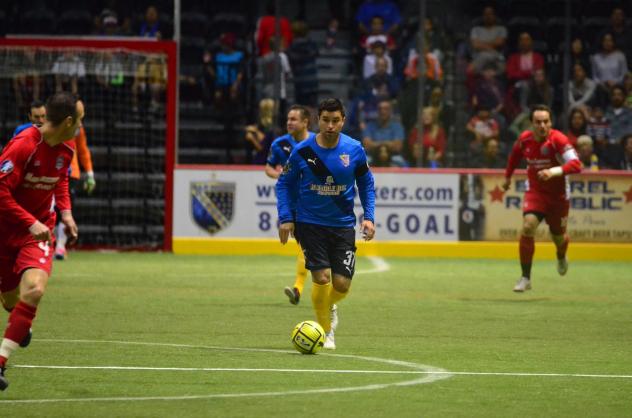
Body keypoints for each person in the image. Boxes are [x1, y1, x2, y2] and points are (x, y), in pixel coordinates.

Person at [276, 98, 376, 350]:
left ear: (343, 121)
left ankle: (328, 305)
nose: (330, 126)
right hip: (309, 223)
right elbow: (284, 184)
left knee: (341, 284)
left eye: (335, 120)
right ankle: (326, 331)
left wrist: (369, 217)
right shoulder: (303, 151)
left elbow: (366, 184)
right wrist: (287, 217)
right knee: (321, 278)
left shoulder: (354, 149)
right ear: (318, 120)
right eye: (325, 120)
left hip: (342, 225)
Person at [0, 92, 81, 390]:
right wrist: (29, 221)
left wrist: (67, 213)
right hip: (6, 230)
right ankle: (21, 322)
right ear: (68, 120)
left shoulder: (67, 149)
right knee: (10, 300)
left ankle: (0, 361)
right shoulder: (23, 145)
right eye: (80, 120)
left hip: (38, 232)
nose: (81, 127)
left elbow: (59, 179)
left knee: (34, 290)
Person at [502, 105, 582, 293]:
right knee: (528, 226)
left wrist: (553, 171)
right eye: (538, 122)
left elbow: (577, 164)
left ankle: (561, 256)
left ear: (551, 122)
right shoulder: (525, 140)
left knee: (559, 238)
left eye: (546, 121)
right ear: (532, 124)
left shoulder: (559, 140)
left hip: (559, 196)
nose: (542, 125)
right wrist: (507, 177)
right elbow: (514, 156)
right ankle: (525, 278)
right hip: (536, 192)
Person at [264, 105, 315, 304]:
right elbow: (268, 168)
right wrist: (281, 175)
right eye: (288, 119)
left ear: (305, 122)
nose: (289, 123)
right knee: (305, 247)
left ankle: (299, 289)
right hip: (292, 204)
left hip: (313, 202)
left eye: (294, 119)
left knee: (308, 246)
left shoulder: (316, 143)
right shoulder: (279, 144)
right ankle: (299, 289)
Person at [55, 100, 95, 260]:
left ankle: (60, 247)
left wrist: (90, 174)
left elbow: (83, 150)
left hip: (71, 172)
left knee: (65, 211)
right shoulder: (54, 126)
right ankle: (50, 245)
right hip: (52, 171)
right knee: (51, 211)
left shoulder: (78, 129)